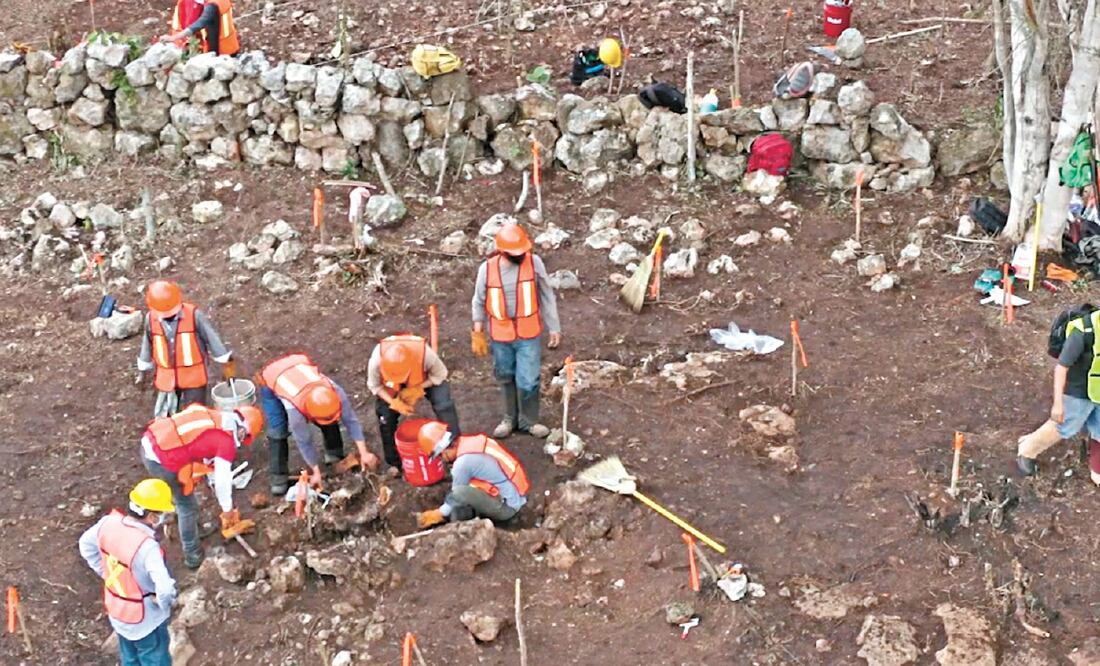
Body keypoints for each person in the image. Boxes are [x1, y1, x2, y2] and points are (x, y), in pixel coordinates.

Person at [140, 403, 264, 569]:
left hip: (151, 440)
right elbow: (222, 481)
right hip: (161, 459)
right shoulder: (225, 441)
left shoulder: (211, 414)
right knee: (186, 505)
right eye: (244, 437)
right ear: (242, 430)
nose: (241, 441)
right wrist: (227, 510)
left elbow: (197, 440)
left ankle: (195, 530)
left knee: (186, 492)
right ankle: (192, 554)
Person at [471, 224, 562, 439]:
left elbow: (547, 295)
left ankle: (528, 421)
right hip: (500, 335)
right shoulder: (487, 269)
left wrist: (554, 326)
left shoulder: (534, 262)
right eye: (516, 253)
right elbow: (478, 301)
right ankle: (509, 419)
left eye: (523, 251)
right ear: (502, 251)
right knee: (505, 376)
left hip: (528, 333)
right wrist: (478, 332)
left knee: (529, 380)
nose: (521, 256)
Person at [78, 479, 178, 666]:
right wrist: (166, 604)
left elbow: (85, 545)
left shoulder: (107, 523)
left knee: (130, 658)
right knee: (155, 658)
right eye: (163, 513)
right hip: (146, 619)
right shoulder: (148, 548)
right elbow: (164, 589)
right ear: (152, 517)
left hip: (117, 611)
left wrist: (107, 575)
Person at [258, 353, 377, 495]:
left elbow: (351, 420)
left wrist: (364, 453)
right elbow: (304, 441)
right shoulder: (295, 412)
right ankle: (278, 478)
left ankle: (333, 452)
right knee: (278, 430)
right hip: (272, 378)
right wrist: (315, 471)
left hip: (300, 365)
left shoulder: (336, 392)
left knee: (329, 415)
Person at [1018, 308, 1100, 485]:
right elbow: (1061, 368)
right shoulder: (1083, 331)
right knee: (1065, 426)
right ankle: (1028, 449)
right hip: (1079, 390)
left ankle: (1097, 471)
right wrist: (1058, 404)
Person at [137, 280, 234, 417]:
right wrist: (143, 371)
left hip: (193, 376)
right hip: (167, 378)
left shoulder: (194, 316)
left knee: (196, 414)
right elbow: (147, 344)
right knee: (169, 416)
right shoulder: (150, 319)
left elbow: (213, 339)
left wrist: (227, 365)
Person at [368, 333, 461, 474]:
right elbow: (375, 386)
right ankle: (395, 462)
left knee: (444, 405)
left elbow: (440, 375)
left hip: (423, 379)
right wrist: (394, 402)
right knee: (385, 417)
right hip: (391, 387)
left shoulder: (426, 355)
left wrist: (418, 388)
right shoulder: (376, 360)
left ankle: (453, 447)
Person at [414, 422, 529, 528]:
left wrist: (439, 514)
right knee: (464, 491)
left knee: (459, 494)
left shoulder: (462, 464)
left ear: (443, 449)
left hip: (507, 508)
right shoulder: (469, 442)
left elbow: (456, 496)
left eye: (440, 456)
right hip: (515, 494)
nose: (442, 459)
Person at [158, 0, 239, 56]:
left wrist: (173, 38)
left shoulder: (214, 4)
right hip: (224, 47)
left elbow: (199, 24)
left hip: (223, 53)